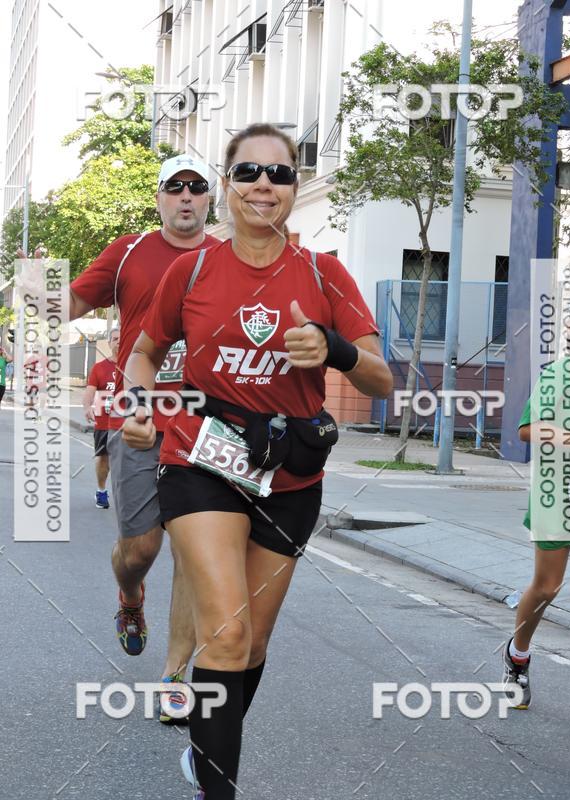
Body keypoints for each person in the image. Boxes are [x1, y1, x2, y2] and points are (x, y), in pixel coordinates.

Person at [122, 123, 393, 799]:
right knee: (227, 630)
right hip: (202, 458)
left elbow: (382, 381)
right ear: (227, 186)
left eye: (279, 174)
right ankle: (219, 786)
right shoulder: (194, 269)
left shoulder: (324, 273)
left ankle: (207, 742)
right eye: (248, 173)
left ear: (295, 190)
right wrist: (137, 404)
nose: (264, 185)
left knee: (251, 647)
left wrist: (333, 348)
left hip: (292, 471)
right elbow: (145, 351)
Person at [68, 155, 220, 716]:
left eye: (196, 188)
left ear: (210, 199)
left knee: (190, 550)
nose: (185, 196)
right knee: (141, 549)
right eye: (174, 187)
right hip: (138, 421)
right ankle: (130, 596)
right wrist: (33, 288)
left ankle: (175, 678)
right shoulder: (129, 251)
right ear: (158, 198)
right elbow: (73, 301)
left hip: (205, 424)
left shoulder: (225, 257)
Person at [503, 289, 570, 725]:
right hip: (558, 493)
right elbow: (528, 431)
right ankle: (518, 657)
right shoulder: (560, 375)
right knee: (547, 588)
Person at [82, 328, 120, 509]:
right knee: (103, 458)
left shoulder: (135, 365)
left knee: (126, 462)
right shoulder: (99, 368)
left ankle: (125, 496)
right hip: (105, 423)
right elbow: (89, 392)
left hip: (128, 423)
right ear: (109, 342)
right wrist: (87, 407)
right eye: (114, 338)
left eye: (121, 338)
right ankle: (101, 491)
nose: (118, 341)